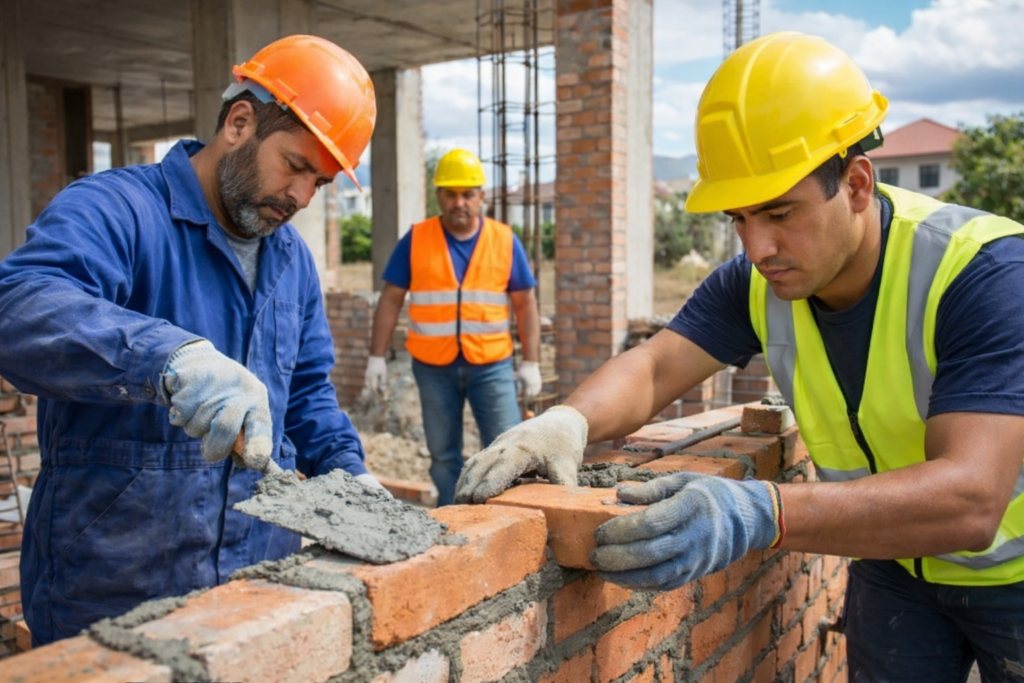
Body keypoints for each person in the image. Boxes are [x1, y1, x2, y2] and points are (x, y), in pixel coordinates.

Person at [455, 31, 1024, 681]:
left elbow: (974, 500)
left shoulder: (980, 272)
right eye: (740, 219)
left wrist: (763, 511)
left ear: (858, 184)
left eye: (781, 212)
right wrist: (569, 422)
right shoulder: (760, 282)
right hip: (894, 567)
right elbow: (655, 366)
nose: (757, 247)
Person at [0, 35, 381, 646]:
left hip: (257, 584)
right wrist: (167, 358)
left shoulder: (292, 262)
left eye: (322, 182)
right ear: (239, 123)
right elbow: (17, 308)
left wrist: (349, 473)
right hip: (114, 585)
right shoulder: (117, 210)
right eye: (296, 165)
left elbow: (306, 394)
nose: (302, 197)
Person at [365, 148, 542, 507]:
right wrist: (376, 357)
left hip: (491, 366)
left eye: (467, 193)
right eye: (450, 193)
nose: (459, 202)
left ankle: (507, 519)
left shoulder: (505, 240)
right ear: (438, 196)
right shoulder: (416, 239)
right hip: (433, 368)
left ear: (482, 196)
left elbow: (525, 304)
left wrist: (531, 362)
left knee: (506, 449)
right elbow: (390, 299)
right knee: (444, 456)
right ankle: (451, 522)